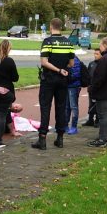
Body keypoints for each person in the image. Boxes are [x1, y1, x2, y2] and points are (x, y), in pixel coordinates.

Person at [31, 18, 74, 150]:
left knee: (45, 108)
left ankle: (42, 139)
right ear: (61, 27)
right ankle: (60, 138)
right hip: (63, 80)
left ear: (51, 27)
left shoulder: (47, 41)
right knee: (61, 108)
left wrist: (57, 69)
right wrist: (62, 70)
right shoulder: (68, 43)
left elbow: (44, 62)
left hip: (49, 79)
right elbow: (71, 63)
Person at [82, 48, 102, 127]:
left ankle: (97, 120)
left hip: (98, 88)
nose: (95, 55)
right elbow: (88, 75)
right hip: (91, 87)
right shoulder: (91, 64)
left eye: (97, 54)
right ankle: (90, 120)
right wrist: (87, 84)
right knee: (91, 104)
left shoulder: (102, 64)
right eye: (94, 53)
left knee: (97, 104)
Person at [64, 55, 84, 135]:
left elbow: (75, 74)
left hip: (74, 86)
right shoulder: (68, 58)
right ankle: (65, 125)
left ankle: (74, 126)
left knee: (73, 106)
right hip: (67, 86)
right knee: (66, 106)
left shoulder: (74, 59)